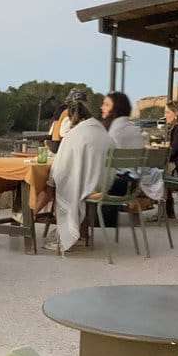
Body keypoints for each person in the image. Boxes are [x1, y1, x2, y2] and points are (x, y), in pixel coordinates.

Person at [44, 97, 112, 253]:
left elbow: (60, 167)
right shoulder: (103, 133)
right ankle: (81, 233)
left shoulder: (74, 135)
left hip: (88, 186)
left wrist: (52, 179)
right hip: (103, 184)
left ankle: (59, 232)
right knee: (69, 182)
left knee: (56, 184)